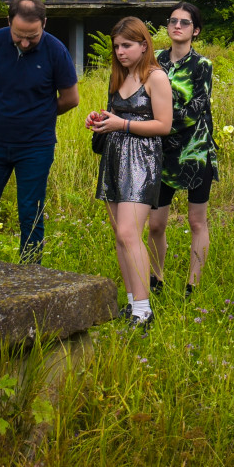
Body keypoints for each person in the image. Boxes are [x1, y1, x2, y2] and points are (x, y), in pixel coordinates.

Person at [0, 0, 80, 263]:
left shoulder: (56, 51)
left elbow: (71, 98)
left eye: (32, 37)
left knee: (31, 213)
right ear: (8, 23)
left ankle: (30, 273)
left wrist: (38, 114)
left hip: (36, 147)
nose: (25, 42)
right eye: (19, 36)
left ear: (44, 24)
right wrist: (4, 108)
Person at [85, 17, 173, 329]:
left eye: (127, 45)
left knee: (128, 233)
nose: (120, 52)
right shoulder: (119, 75)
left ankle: (145, 312)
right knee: (120, 237)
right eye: (117, 46)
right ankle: (134, 303)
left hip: (141, 160)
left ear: (143, 45)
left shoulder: (156, 77)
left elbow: (163, 125)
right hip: (112, 156)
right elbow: (119, 113)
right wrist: (99, 119)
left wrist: (120, 124)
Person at [150, 1, 219, 298]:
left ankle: (193, 285)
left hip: (195, 150)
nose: (177, 26)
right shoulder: (152, 61)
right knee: (155, 223)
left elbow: (197, 108)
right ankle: (156, 280)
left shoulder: (202, 65)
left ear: (196, 30)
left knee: (196, 220)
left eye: (185, 22)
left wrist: (159, 121)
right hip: (160, 151)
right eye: (173, 20)